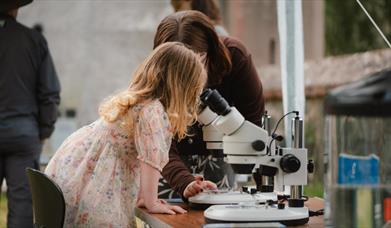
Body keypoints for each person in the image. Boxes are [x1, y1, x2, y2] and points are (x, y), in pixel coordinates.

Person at [45, 42, 207, 227]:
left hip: (76, 171)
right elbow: (150, 160)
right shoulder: (153, 111)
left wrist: (144, 198)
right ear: (181, 86)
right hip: (97, 182)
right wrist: (151, 201)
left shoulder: (137, 100)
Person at [154, 11, 265, 199]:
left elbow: (253, 127)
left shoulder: (236, 58)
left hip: (222, 155)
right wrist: (184, 181)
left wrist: (265, 191)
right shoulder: (156, 74)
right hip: (170, 159)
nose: (188, 76)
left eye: (195, 64)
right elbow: (157, 141)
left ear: (210, 52)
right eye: (179, 69)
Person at [0, 0, 61, 227]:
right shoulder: (33, 40)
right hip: (23, 133)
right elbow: (49, 93)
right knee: (23, 207)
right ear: (15, 8)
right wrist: (43, 130)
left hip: (22, 130)